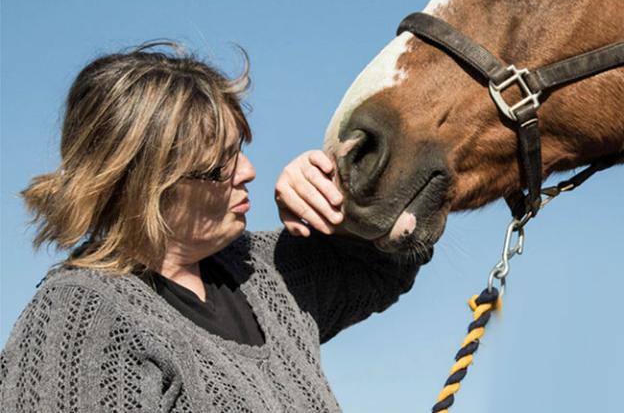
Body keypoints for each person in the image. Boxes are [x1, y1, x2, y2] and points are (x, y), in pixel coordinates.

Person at [0, 43, 427, 412]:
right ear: (150, 183)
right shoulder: (80, 318)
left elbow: (388, 262)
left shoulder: (264, 273)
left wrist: (339, 195)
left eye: (239, 149)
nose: (249, 171)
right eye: (220, 166)